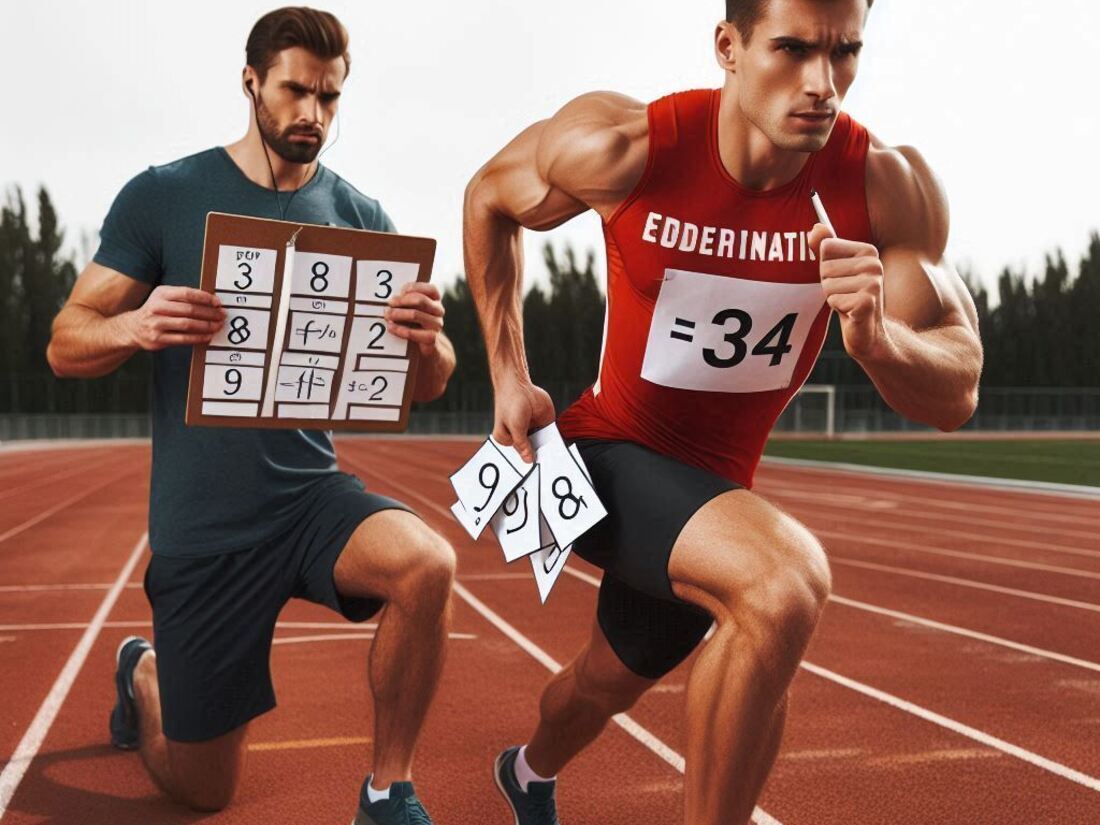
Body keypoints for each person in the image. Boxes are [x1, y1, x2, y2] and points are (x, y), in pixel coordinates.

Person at [463, 0, 982, 822]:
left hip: (710, 495)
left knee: (599, 686)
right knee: (783, 582)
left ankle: (526, 770)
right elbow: (488, 196)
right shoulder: (625, 148)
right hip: (606, 456)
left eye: (845, 52)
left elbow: (958, 389)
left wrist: (879, 341)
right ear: (728, 47)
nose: (822, 83)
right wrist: (506, 373)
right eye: (793, 48)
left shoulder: (885, 187)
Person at [47, 8, 456, 823]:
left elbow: (427, 386)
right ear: (251, 84)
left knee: (427, 563)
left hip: (311, 498)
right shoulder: (165, 195)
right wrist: (137, 324)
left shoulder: (361, 215)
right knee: (204, 793)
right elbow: (65, 341)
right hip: (205, 529)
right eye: (297, 91)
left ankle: (388, 790)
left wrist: (429, 342)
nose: (314, 114)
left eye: (331, 98)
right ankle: (143, 672)